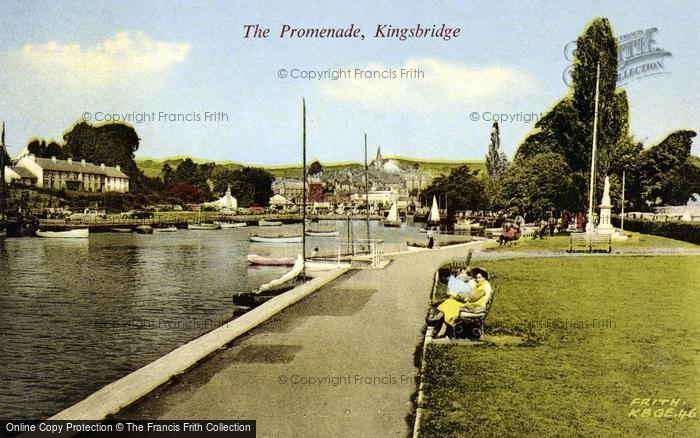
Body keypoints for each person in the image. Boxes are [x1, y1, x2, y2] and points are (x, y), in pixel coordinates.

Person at [430, 267, 492, 338]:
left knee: (452, 304)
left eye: (479, 278)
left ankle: (440, 325)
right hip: (472, 304)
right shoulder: (482, 285)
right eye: (477, 278)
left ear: (484, 278)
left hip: (474, 306)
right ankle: (441, 327)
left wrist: (459, 295)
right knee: (450, 301)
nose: (477, 279)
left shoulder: (482, 288)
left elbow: (472, 298)